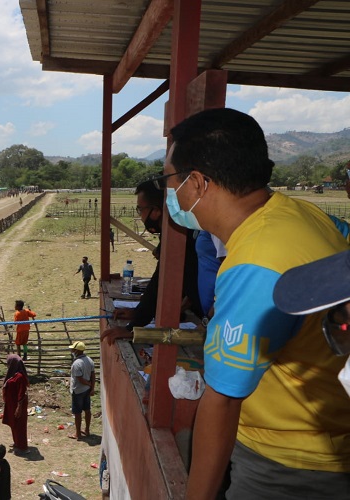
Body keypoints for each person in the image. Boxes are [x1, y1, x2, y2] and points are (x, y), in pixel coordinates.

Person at [162, 108, 350, 499]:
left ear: (196, 184)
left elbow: (224, 399)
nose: (171, 194)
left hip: (288, 463)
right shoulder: (299, 214)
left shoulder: (256, 263)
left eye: (171, 180)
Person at [101, 179, 203, 344]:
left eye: (140, 209)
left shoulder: (181, 235)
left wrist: (133, 326)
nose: (140, 215)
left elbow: (161, 280)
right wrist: (139, 314)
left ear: (156, 211)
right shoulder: (178, 229)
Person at [1, 355, 29, 455]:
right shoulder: (13, 375)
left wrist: (19, 407)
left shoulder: (20, 377)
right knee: (14, 424)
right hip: (11, 404)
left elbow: (21, 393)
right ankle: (17, 442)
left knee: (20, 425)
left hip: (17, 405)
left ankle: (22, 446)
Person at [68, 341, 95, 440]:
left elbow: (80, 379)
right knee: (87, 410)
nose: (71, 350)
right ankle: (87, 430)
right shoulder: (89, 360)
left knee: (77, 412)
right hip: (87, 390)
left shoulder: (76, 364)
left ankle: (78, 433)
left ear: (77, 351)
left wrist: (88, 384)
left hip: (78, 390)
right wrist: (92, 387)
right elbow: (93, 375)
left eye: (73, 349)